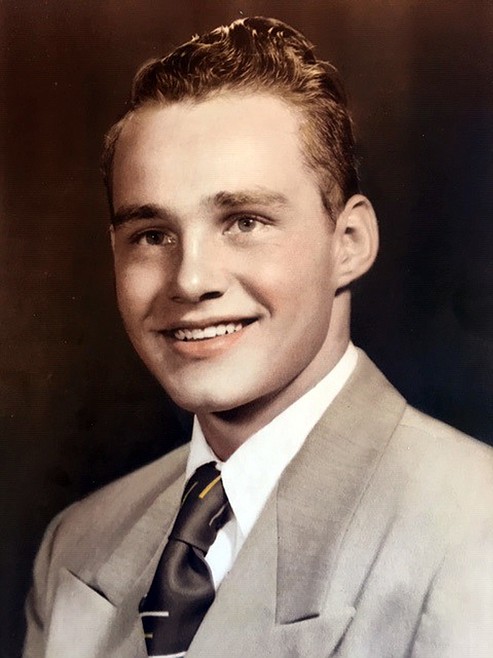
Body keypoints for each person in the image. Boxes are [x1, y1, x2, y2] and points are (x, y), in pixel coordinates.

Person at [23, 16, 493, 658]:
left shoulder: (472, 528)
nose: (190, 280)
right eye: (152, 235)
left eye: (244, 221)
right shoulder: (77, 546)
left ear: (349, 243)